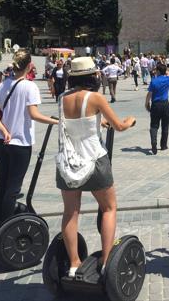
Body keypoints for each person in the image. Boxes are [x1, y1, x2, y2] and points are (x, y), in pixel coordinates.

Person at [56, 57, 136, 277]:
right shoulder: (96, 98)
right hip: (95, 160)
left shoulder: (62, 98)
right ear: (92, 76)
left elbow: (77, 122)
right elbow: (119, 126)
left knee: (71, 212)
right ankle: (106, 259)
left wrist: (98, 122)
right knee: (109, 208)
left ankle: (74, 263)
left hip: (70, 162)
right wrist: (129, 121)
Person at [0, 49, 58, 224]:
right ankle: (4, 226)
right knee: (13, 188)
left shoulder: (3, 85)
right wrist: (57, 122)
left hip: (1, 142)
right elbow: (34, 114)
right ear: (30, 66)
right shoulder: (30, 87)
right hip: (20, 143)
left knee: (2, 184)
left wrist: (4, 131)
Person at [145, 62, 169, 155]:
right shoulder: (168, 79)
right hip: (165, 104)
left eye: (156, 70)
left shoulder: (154, 81)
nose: (155, 71)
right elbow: (168, 73)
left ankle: (154, 143)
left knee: (154, 125)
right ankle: (163, 145)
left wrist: (147, 103)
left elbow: (149, 94)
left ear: (159, 71)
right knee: (165, 125)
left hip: (156, 104)